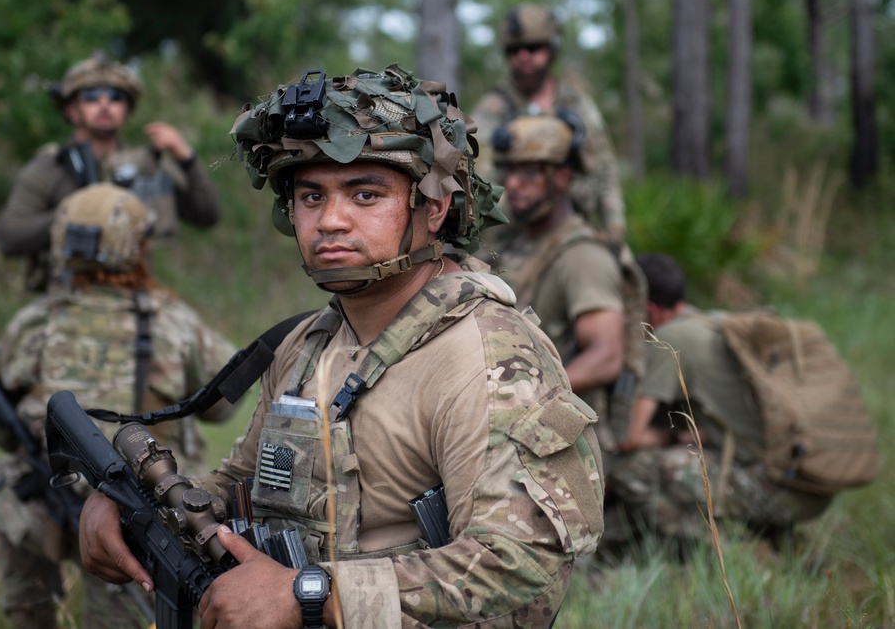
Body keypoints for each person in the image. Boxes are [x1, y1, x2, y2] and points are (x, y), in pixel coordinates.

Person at [79, 63, 605, 628]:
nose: (330, 221)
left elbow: (519, 562)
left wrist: (310, 594)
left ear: (433, 207)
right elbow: (241, 488)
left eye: (365, 194)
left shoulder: (487, 356)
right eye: (311, 197)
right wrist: (132, 510)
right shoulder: (308, 344)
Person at [0, 183, 237, 628]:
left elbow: (3, 430)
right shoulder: (172, 322)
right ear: (137, 246)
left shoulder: (37, 321)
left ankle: (28, 609)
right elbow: (218, 408)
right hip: (145, 512)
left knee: (10, 486)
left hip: (47, 501)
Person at [610, 252, 832, 544]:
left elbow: (630, 437)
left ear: (649, 309)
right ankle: (790, 549)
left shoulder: (668, 340)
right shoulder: (715, 321)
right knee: (715, 464)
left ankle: (728, 551)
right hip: (812, 480)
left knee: (633, 470)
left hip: (775, 486)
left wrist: (675, 438)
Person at [0, 53, 221, 291]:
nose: (104, 105)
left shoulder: (145, 167)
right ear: (72, 110)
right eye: (91, 97)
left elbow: (206, 215)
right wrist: (74, 211)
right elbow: (10, 238)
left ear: (127, 108)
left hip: (134, 298)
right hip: (67, 300)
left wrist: (186, 158)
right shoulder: (50, 168)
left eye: (115, 97)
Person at [485, 113, 639, 459]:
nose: (513, 183)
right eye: (510, 171)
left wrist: (517, 401)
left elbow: (606, 357)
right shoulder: (513, 242)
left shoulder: (583, 256)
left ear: (563, 178)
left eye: (529, 172)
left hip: (561, 443)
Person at [471, 3, 625, 246]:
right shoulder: (494, 108)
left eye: (533, 47)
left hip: (574, 227)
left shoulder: (576, 104)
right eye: (514, 49)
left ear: (551, 48)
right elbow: (479, 184)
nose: (523, 56)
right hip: (513, 238)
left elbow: (605, 172)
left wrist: (614, 231)